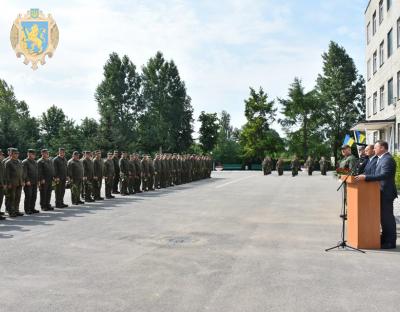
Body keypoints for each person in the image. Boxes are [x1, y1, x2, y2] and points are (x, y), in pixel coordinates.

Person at [356, 140, 397, 249]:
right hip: (380, 191)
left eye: (376, 148)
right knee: (383, 218)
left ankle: (390, 242)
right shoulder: (381, 159)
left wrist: (366, 177)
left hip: (386, 192)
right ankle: (384, 238)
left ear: (383, 148)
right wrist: (365, 175)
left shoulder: (387, 159)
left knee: (387, 218)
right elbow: (376, 173)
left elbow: (385, 175)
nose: (374, 149)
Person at [5, 148, 24, 217]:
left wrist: (22, 181)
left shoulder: (19, 161)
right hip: (12, 183)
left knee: (18, 197)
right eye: (15, 153)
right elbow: (7, 174)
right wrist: (8, 183)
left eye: (17, 153)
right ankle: (11, 211)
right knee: (11, 198)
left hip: (19, 182)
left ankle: (16, 210)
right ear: (11, 154)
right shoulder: (8, 162)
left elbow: (21, 172)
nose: (17, 155)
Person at [22, 149, 40, 214]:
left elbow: (37, 172)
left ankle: (32, 208)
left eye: (34, 154)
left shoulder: (35, 162)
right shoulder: (25, 162)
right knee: (28, 196)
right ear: (28, 154)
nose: (33, 155)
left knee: (34, 195)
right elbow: (24, 172)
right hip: (29, 182)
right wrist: (27, 180)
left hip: (34, 181)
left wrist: (38, 181)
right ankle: (27, 209)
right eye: (32, 154)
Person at [0, 150, 6, 220]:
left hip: (2, 184)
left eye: (1, 154)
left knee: (1, 199)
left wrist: (4, 183)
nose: (1, 155)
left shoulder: (1, 162)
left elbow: (3, 174)